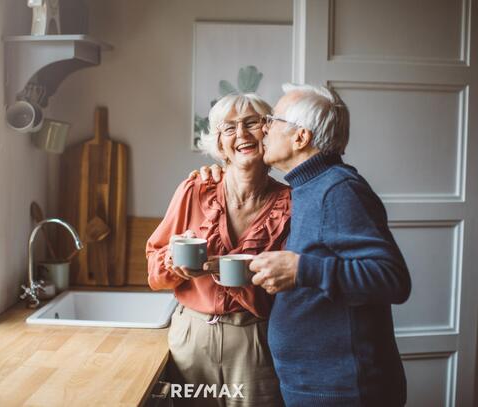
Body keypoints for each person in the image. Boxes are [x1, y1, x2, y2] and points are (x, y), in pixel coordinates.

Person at [198, 84, 411, 407]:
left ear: (301, 137)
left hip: (344, 391)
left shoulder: (338, 189)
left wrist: (301, 269)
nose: (264, 128)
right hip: (317, 385)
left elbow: (392, 280)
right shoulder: (308, 186)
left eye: (272, 120)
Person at [146, 93, 290, 407]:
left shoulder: (291, 204)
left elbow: (295, 284)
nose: (242, 134)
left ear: (268, 132)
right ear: (220, 144)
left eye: (252, 123)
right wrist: (173, 263)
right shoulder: (194, 190)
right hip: (192, 339)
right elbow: (153, 270)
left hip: (255, 340)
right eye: (229, 128)